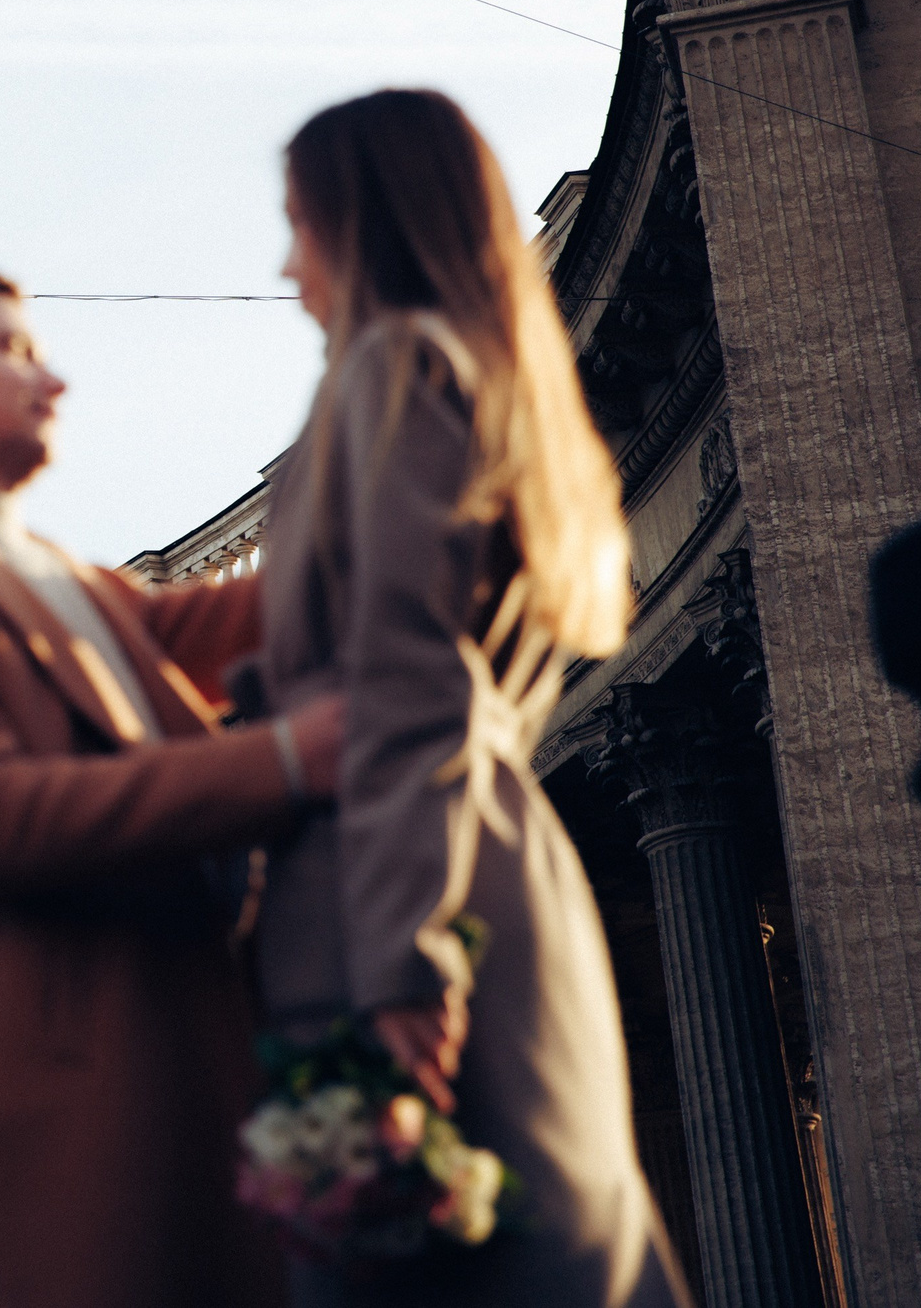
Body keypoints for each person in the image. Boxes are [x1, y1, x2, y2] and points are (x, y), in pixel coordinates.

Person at [0, 269, 344, 1308]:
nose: (52, 379)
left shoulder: (59, 577)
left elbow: (265, 614)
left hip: (196, 1065)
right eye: (10, 349)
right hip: (83, 1094)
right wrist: (285, 762)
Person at [252, 90, 688, 1306]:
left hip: (396, 896)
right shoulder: (482, 388)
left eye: (302, 222)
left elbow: (406, 679)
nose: (287, 263)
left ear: (369, 222)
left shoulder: (391, 371)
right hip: (478, 867)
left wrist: (401, 963)